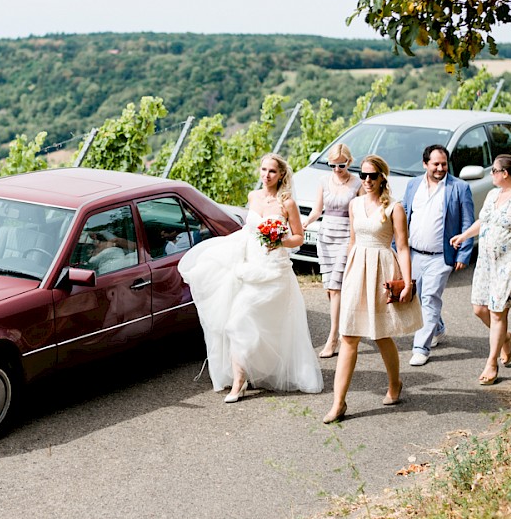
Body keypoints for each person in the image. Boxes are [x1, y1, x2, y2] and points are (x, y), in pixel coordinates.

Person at [178, 153, 323, 403]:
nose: (266, 175)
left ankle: (257, 372)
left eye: (272, 171)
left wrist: (280, 240)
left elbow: (298, 237)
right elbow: (249, 230)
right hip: (250, 266)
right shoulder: (253, 197)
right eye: (264, 169)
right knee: (236, 322)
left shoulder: (287, 203)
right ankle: (239, 380)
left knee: (265, 324)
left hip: (275, 270)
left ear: (281, 175)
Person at [323, 155, 422, 423]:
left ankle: (395, 384)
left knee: (380, 334)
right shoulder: (354, 204)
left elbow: (402, 247)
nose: (367, 180)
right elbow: (353, 242)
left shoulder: (394, 208)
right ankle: (338, 402)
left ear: (382, 178)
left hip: (382, 268)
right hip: (357, 270)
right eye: (363, 175)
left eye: (372, 176)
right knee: (349, 336)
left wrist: (408, 282)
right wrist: (342, 275)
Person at [450, 154, 511, 385]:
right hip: (486, 262)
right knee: (480, 309)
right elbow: (484, 222)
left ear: (504, 174)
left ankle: (491, 364)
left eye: (493, 171)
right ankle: (506, 339)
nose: (490, 174)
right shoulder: (492, 195)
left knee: (498, 312)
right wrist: (464, 235)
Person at [401, 144, 475, 367]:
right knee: (418, 297)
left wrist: (463, 254)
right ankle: (438, 327)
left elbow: (467, 222)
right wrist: (397, 247)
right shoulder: (413, 185)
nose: (440, 168)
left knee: (430, 298)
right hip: (414, 254)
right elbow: (404, 215)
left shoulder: (459, 188)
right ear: (425, 164)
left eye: (444, 164)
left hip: (440, 256)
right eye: (435, 164)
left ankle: (420, 348)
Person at [303, 143, 363, 358]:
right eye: (333, 165)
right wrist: (305, 223)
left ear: (349, 162)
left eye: (341, 165)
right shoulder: (323, 181)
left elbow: (361, 211)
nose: (337, 169)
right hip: (326, 236)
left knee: (336, 288)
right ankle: (346, 323)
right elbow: (317, 210)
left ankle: (333, 338)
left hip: (347, 235)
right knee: (330, 288)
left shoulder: (357, 183)